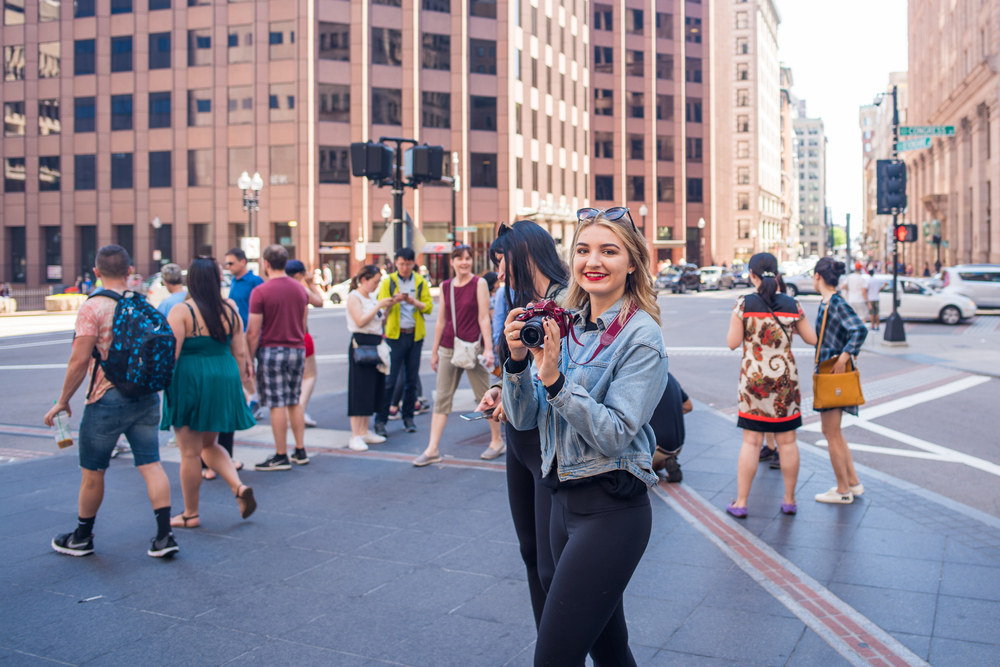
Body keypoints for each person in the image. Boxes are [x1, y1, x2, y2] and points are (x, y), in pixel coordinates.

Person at [502, 208, 667, 666]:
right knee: (611, 651)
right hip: (562, 503)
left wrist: (555, 381)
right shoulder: (567, 325)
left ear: (632, 262)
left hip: (611, 514)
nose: (592, 261)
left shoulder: (641, 337)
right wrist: (516, 364)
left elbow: (615, 433)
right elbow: (523, 419)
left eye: (608, 251)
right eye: (583, 250)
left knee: (552, 659)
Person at [43, 245, 178, 558]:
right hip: (145, 396)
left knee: (93, 472)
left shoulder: (93, 307)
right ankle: (164, 536)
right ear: (129, 272)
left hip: (106, 398)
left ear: (96, 272)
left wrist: (63, 400)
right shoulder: (141, 303)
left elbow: (79, 360)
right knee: (150, 463)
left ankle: (82, 536)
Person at [476, 220, 570, 628]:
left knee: (553, 567)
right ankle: (546, 643)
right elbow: (520, 368)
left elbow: (563, 373)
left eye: (503, 262)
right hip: (520, 436)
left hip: (550, 442)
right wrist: (500, 388)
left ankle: (561, 646)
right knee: (530, 552)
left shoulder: (570, 301)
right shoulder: (524, 302)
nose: (500, 273)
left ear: (526, 255)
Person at [161, 257, 257, 528]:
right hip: (223, 377)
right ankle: (238, 487)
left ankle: (190, 514)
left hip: (192, 378)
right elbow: (240, 352)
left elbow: (172, 355)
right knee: (209, 444)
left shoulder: (181, 311)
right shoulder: (230, 310)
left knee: (190, 452)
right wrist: (240, 383)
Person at [725, 253, 817, 519]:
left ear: (752, 274)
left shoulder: (744, 304)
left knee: (752, 442)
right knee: (787, 441)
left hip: (753, 382)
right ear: (776, 273)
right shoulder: (792, 304)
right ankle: (789, 500)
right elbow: (812, 338)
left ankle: (741, 503)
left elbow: (733, 342)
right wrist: (790, 329)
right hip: (785, 382)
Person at [415, 244, 501, 465]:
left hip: (474, 348)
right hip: (449, 347)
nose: (464, 262)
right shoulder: (446, 286)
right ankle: (432, 448)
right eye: (459, 258)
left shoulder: (479, 283)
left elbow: (484, 318)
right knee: (442, 398)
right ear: (451, 262)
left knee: (486, 396)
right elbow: (442, 320)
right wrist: (434, 351)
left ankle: (497, 441)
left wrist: (489, 349)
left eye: (468, 258)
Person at [247, 245, 310, 471]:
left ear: (266, 264)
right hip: (296, 348)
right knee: (294, 400)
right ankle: (300, 450)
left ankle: (281, 454)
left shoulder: (261, 292)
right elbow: (303, 325)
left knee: (276, 404)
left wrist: (249, 359)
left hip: (272, 350)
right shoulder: (300, 290)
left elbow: (253, 332)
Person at [812, 257, 867, 504]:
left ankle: (843, 491)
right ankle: (853, 483)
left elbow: (859, 329)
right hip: (832, 373)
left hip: (831, 375)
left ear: (818, 277)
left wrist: (843, 357)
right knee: (835, 432)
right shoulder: (828, 303)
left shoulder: (834, 303)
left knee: (830, 432)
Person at [374, 248, 434, 437]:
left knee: (411, 380)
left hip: (415, 336)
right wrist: (394, 301)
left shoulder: (420, 281)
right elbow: (380, 306)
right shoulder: (389, 281)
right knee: (390, 380)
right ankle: (380, 420)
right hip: (394, 336)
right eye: (401, 264)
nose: (405, 267)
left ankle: (408, 417)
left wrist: (412, 301)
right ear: (395, 263)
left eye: (408, 264)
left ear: (413, 263)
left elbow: (428, 307)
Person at [346, 265, 395, 451]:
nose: (376, 286)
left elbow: (380, 321)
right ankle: (355, 434)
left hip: (375, 344)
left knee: (372, 388)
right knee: (359, 389)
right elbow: (360, 320)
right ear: (364, 280)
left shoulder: (371, 297)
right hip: (361, 344)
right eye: (374, 282)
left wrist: (386, 307)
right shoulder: (354, 297)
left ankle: (365, 431)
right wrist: (379, 305)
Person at [286, 259, 325, 428]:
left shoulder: (276, 288)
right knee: (309, 376)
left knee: (291, 380)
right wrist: (311, 284)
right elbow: (319, 302)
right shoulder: (302, 290)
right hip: (301, 337)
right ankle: (298, 412)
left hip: (282, 340)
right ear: (298, 275)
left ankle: (295, 411)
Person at [650, 373, 693, 483]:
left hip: (656, 447)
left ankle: (656, 461)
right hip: (678, 445)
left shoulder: (641, 377)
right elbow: (688, 406)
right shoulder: (669, 376)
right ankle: (667, 458)